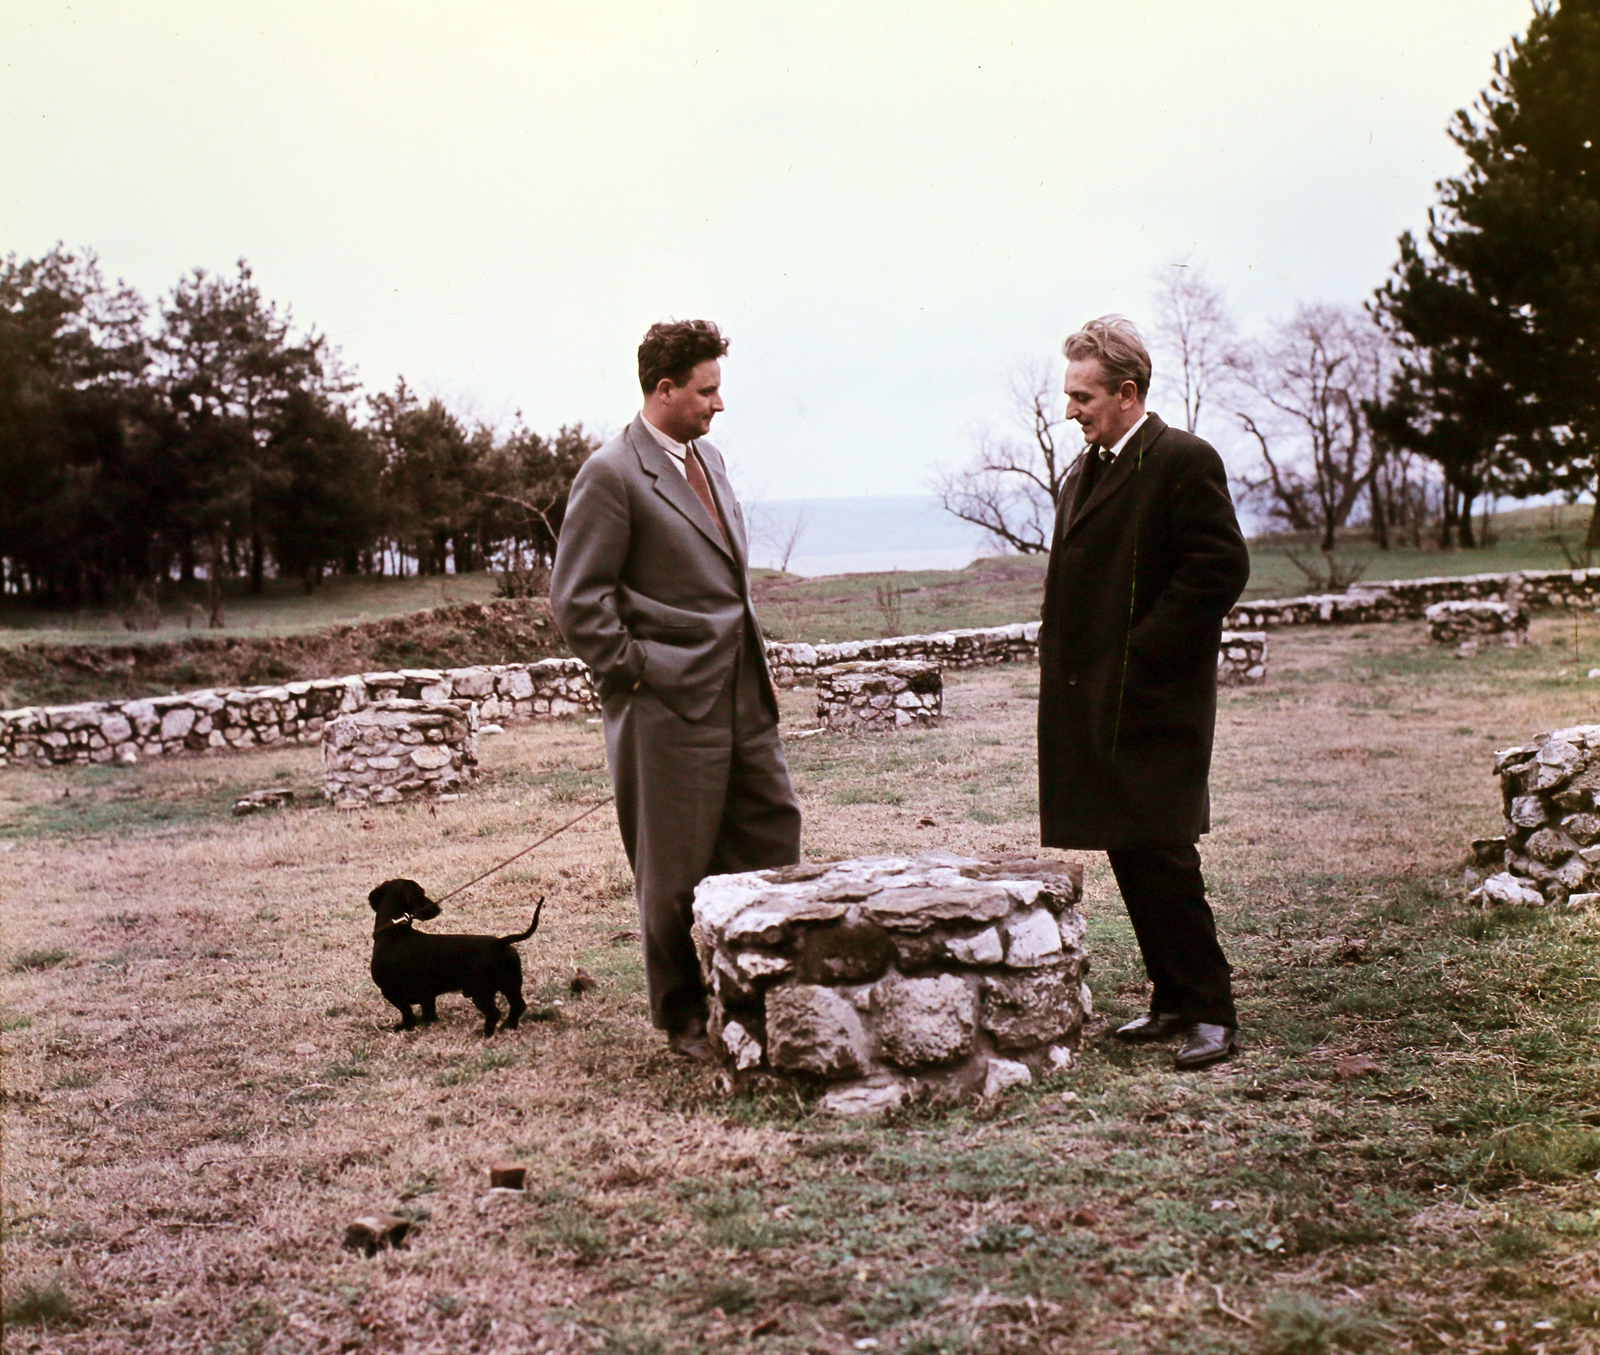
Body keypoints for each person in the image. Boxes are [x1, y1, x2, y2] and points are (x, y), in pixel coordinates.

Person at [550, 320, 802, 1060]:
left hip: (741, 694)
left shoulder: (710, 458)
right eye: (706, 389)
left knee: (770, 829)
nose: (718, 404)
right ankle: (683, 1017)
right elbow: (577, 599)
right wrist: (641, 669)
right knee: (674, 866)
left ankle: (752, 989)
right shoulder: (611, 473)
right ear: (664, 390)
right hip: (663, 705)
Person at [1037, 316, 1250, 1069]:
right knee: (1129, 845)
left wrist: (1143, 654)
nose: (1072, 410)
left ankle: (1212, 1008)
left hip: (1156, 698)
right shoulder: (1088, 467)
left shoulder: (1183, 460)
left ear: (1128, 393)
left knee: (1162, 850)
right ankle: (1170, 1000)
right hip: (1099, 698)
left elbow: (1218, 569)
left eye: (1083, 396)